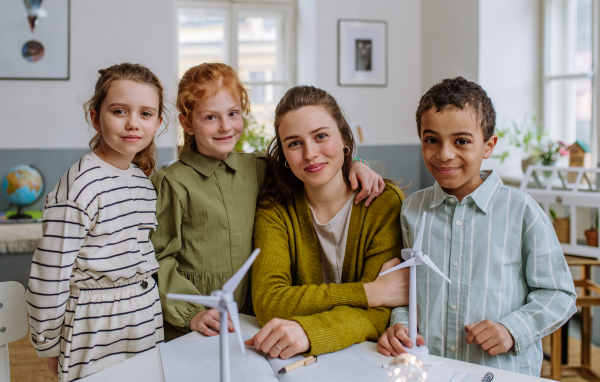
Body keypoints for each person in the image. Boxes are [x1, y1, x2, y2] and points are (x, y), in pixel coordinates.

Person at [151, 63, 384, 342]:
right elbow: (159, 257)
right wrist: (191, 313)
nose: (225, 126)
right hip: (197, 323)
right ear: (188, 123)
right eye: (210, 117)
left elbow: (312, 165)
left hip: (250, 319)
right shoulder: (172, 182)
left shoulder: (259, 167)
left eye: (233, 113)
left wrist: (357, 164)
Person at [377, 77, 577, 375]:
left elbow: (559, 294)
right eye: (431, 140)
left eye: (461, 141)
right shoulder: (412, 210)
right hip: (432, 370)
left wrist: (512, 329)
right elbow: (404, 291)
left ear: (488, 146)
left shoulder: (522, 210)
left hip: (502, 373)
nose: (444, 154)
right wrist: (401, 323)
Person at [245, 85, 409, 359]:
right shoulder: (274, 208)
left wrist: (309, 331)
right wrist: (369, 292)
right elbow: (269, 302)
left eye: (321, 136)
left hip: (365, 358)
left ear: (344, 138)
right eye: (294, 143)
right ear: (284, 153)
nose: (310, 153)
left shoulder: (382, 204)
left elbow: (381, 313)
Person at [26, 63, 167, 382]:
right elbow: (50, 274)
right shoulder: (81, 185)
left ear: (158, 123)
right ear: (95, 117)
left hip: (143, 317)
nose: (133, 123)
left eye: (146, 114)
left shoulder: (142, 182)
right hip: (95, 324)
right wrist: (48, 343)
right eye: (119, 111)